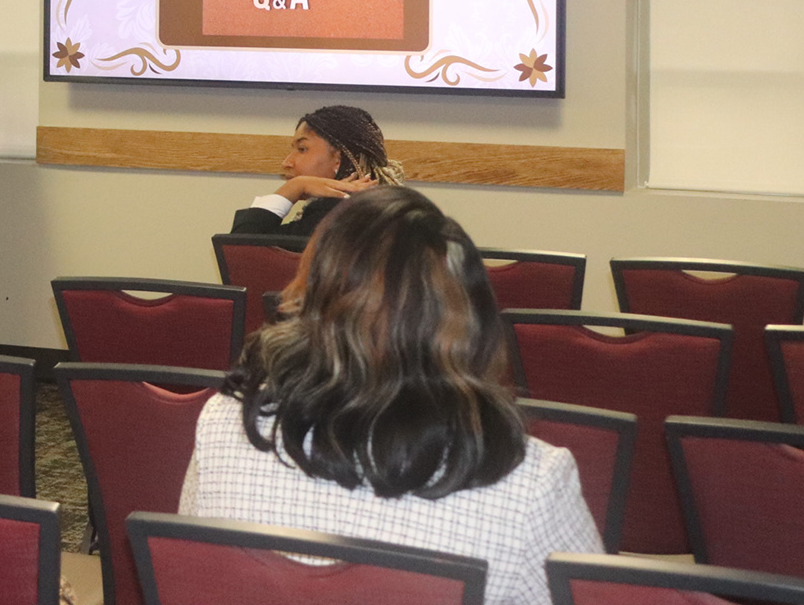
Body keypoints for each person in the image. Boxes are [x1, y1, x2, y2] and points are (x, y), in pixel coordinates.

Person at [181, 185, 600, 605]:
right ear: (472, 317)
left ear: (309, 299)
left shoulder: (224, 424)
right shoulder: (530, 482)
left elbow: (191, 583)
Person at [230, 104, 405, 241]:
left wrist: (294, 187)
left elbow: (241, 252)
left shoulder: (332, 216)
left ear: (338, 159)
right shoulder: (382, 208)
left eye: (302, 149)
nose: (287, 163)